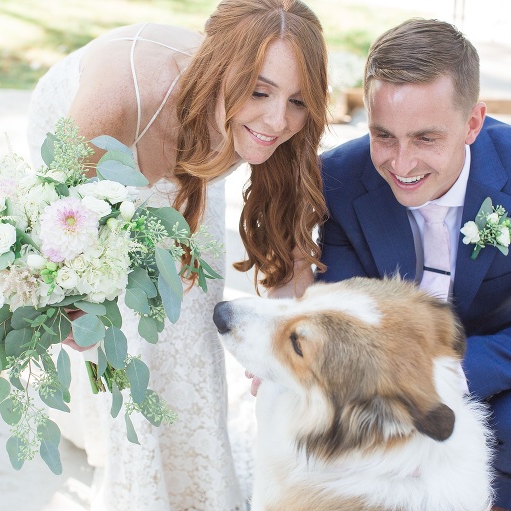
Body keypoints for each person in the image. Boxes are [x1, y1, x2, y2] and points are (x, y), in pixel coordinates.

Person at [26, 1, 328, 510]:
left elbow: (289, 242)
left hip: (196, 153)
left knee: (187, 317)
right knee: (122, 322)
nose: (278, 121)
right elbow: (55, 225)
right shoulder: (117, 100)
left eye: (297, 100)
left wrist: (287, 333)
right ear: (220, 69)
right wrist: (71, 306)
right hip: (98, 155)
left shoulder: (267, 128)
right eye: (259, 91)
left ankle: (199, 486)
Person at [316, 18, 511, 511]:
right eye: (383, 135)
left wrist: (443, 376)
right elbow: (341, 315)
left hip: (499, 363)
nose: (401, 165)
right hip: (385, 376)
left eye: (426, 139)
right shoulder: (340, 178)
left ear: (473, 123)